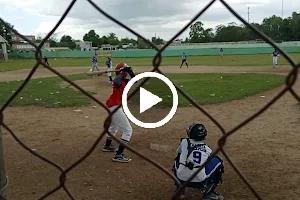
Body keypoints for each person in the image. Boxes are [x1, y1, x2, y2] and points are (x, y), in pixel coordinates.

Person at [172, 123, 225, 200]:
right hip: (200, 180)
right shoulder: (207, 149)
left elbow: (178, 152)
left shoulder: (184, 142)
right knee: (218, 161)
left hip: (181, 178)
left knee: (178, 159)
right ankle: (209, 193)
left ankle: (179, 190)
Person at [102, 62, 136, 163]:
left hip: (113, 107)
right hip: (115, 107)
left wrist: (131, 72)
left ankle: (107, 145)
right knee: (128, 131)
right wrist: (122, 73)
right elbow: (116, 82)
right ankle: (118, 154)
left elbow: (136, 81)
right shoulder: (118, 81)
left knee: (114, 127)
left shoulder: (125, 81)